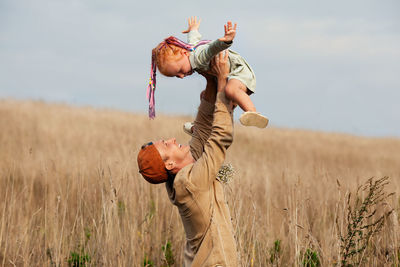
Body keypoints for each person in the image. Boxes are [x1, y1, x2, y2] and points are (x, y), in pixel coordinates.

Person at [138, 51, 239, 266]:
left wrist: (210, 80)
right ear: (170, 164)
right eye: (167, 145)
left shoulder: (182, 176)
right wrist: (222, 83)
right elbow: (219, 139)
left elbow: (202, 131)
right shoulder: (190, 183)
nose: (173, 139)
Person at [147, 17, 269, 129]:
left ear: (184, 54)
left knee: (231, 90)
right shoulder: (190, 50)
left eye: (179, 71)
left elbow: (210, 49)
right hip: (226, 76)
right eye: (176, 75)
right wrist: (193, 29)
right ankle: (203, 126)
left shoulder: (198, 57)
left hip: (239, 72)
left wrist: (225, 41)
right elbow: (193, 39)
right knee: (205, 96)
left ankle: (252, 112)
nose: (181, 76)